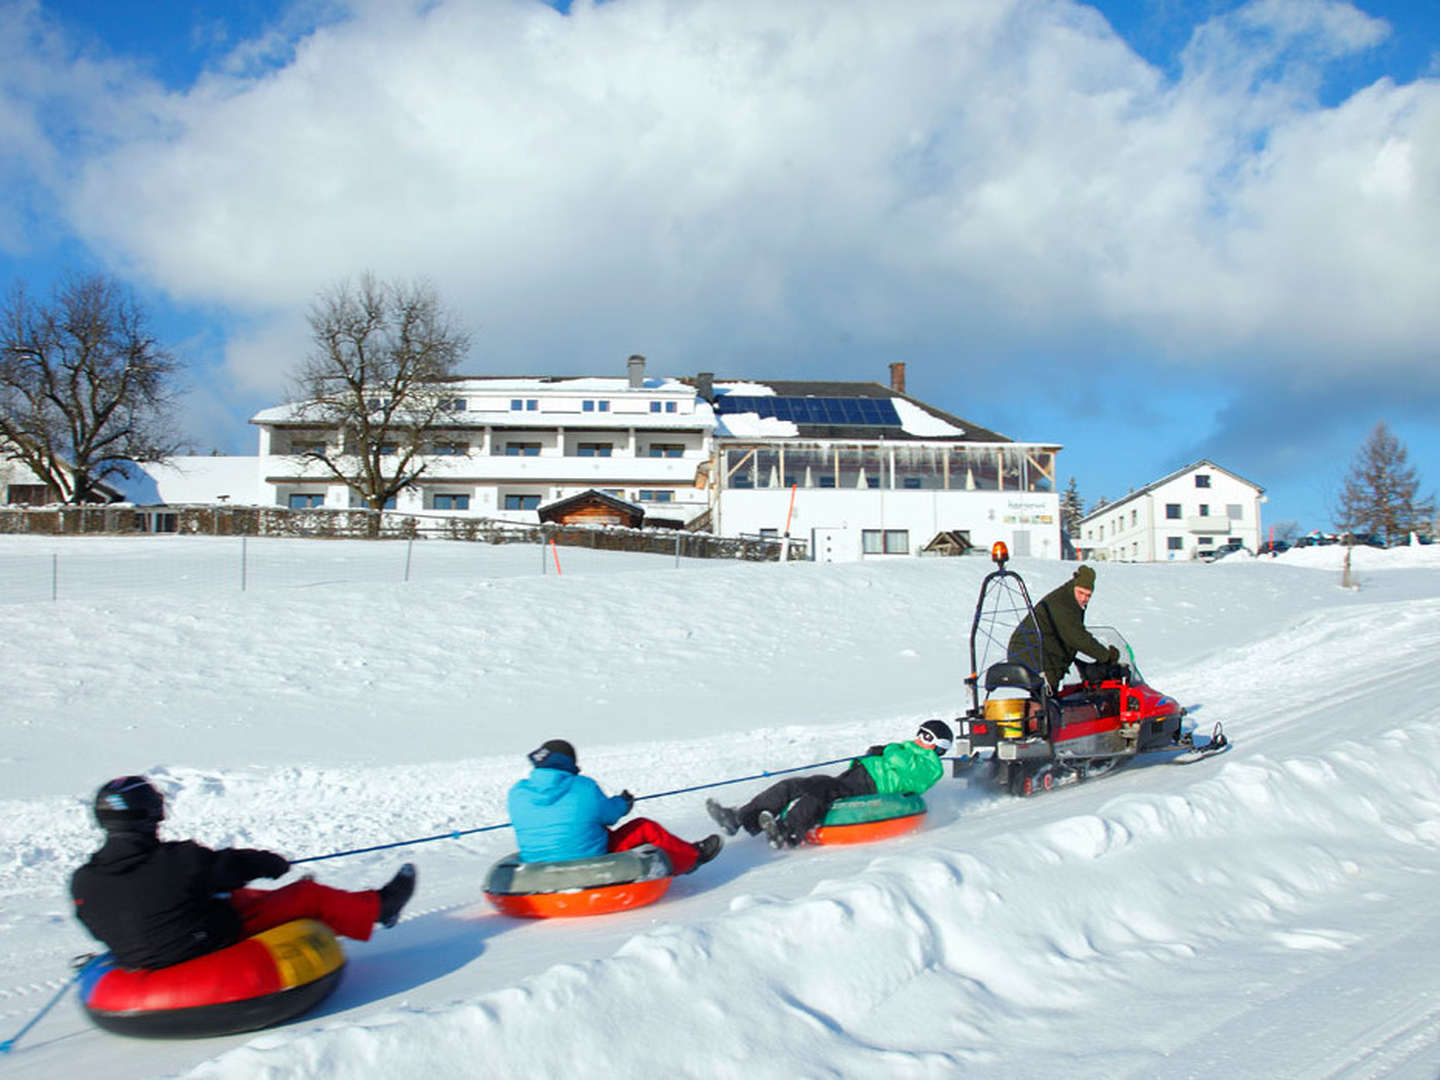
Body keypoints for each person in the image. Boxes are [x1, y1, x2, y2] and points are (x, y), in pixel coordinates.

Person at [71, 775, 417, 971]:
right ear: (152, 815)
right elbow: (234, 866)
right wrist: (273, 864)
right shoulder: (178, 861)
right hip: (204, 944)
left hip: (141, 958)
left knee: (227, 895)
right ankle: (380, 908)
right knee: (305, 896)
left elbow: (98, 922)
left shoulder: (84, 879)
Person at [705, 720, 953, 849]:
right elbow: (895, 757)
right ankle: (739, 818)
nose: (919, 738)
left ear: (940, 747)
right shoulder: (908, 749)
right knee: (793, 784)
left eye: (927, 737)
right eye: (920, 732)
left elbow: (904, 765)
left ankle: (787, 832)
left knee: (820, 793)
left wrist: (886, 750)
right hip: (857, 777)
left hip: (872, 789)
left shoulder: (932, 765)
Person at [507, 739, 722, 875]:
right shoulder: (583, 786)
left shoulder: (517, 792)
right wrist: (624, 803)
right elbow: (610, 815)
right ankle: (692, 857)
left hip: (535, 867)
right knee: (645, 827)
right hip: (588, 859)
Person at [1006, 563, 1119, 691]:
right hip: (1032, 654)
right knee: (1045, 696)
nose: (1084, 598)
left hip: (1040, 654)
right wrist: (1106, 656)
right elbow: (1077, 637)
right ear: (1074, 586)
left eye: (1088, 595)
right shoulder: (1063, 603)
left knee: (1047, 696)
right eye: (1081, 593)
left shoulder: (1071, 601)